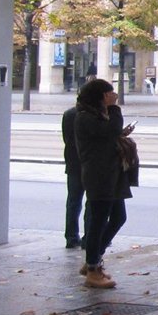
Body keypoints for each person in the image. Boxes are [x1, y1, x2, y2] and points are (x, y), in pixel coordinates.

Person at [74, 78, 134, 289]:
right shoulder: (84, 117)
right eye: (108, 93)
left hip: (111, 174)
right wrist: (114, 108)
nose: (112, 96)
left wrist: (120, 132)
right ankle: (92, 269)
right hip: (99, 176)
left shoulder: (95, 115)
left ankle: (94, 258)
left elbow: (108, 134)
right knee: (98, 222)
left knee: (118, 217)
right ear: (100, 96)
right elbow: (109, 131)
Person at [61, 105, 85, 249]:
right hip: (89, 164)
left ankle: (71, 236)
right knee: (92, 203)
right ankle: (89, 237)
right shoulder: (92, 114)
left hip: (72, 162)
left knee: (73, 201)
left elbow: (66, 138)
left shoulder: (69, 114)